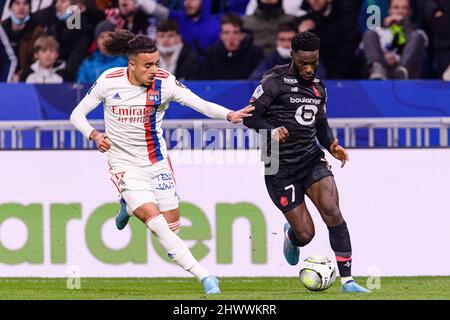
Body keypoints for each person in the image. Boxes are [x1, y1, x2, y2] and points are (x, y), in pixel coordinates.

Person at [70, 29, 254, 294]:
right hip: (123, 163)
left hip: (156, 161)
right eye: (148, 65)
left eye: (157, 63)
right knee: (156, 223)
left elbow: (199, 104)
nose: (154, 69)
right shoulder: (108, 81)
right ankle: (205, 276)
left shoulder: (165, 83)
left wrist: (230, 115)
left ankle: (128, 206)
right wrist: (94, 134)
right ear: (131, 65)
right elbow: (77, 115)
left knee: (172, 229)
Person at [243, 31, 371, 293]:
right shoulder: (273, 82)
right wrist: (271, 130)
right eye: (303, 63)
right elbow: (250, 117)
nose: (309, 68)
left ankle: (347, 281)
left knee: (332, 211)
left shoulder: (318, 87)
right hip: (277, 165)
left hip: (310, 158)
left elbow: (321, 123)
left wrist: (332, 145)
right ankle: (291, 235)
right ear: (292, 56)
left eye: (313, 61)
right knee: (306, 235)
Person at [361, 0, 427, 79]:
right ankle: (377, 67)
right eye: (396, 8)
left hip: (407, 75)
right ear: (389, 10)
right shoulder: (376, 31)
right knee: (369, 33)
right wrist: (383, 57)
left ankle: (402, 70)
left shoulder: (417, 32)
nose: (400, 11)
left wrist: (404, 23)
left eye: (404, 8)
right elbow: (363, 47)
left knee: (418, 37)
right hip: (382, 71)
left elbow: (421, 43)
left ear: (410, 12)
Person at [201, 13, 264, 79]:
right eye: (226, 33)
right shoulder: (211, 54)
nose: (231, 37)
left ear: (242, 35)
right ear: (220, 35)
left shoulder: (255, 54)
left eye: (235, 32)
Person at [1, 0, 46, 81]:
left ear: (30, 8)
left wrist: (21, 76)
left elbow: (40, 60)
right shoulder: (2, 30)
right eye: (17, 3)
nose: (21, 7)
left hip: (29, 78)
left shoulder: (38, 31)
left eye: (25, 3)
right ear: (11, 7)